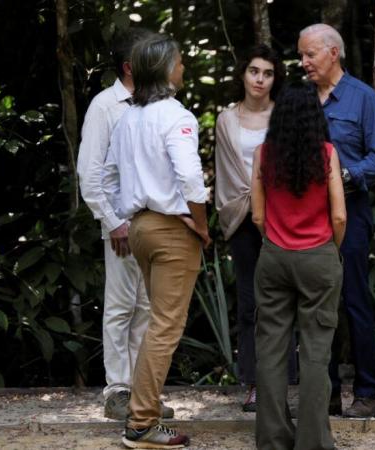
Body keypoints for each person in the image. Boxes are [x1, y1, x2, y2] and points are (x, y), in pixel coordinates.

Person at [103, 34, 210, 448]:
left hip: (141, 228)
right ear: (166, 69)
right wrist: (200, 225)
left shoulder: (129, 118)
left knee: (155, 326)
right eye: (180, 61)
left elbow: (109, 176)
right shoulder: (175, 115)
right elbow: (189, 178)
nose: (183, 67)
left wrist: (123, 218)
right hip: (170, 228)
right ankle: (142, 423)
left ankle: (142, 413)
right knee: (165, 328)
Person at [76, 27, 174, 421]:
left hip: (152, 223)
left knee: (148, 308)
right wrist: (113, 221)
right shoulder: (105, 105)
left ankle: (141, 391)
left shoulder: (156, 103)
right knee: (120, 308)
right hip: (120, 223)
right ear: (131, 66)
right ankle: (117, 391)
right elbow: (90, 171)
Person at [297, 23, 375, 418]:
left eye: (310, 55)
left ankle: (366, 394)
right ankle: (327, 392)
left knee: (354, 302)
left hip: (351, 212)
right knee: (317, 306)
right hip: (307, 217)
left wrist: (344, 177)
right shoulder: (301, 99)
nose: (303, 62)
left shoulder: (363, 97)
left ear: (333, 53)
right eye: (302, 55)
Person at [252, 81, 346, 450]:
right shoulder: (326, 153)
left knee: (271, 353)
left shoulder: (264, 153)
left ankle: (273, 440)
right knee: (315, 354)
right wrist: (330, 250)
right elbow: (338, 215)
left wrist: (275, 239)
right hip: (319, 256)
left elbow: (257, 215)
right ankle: (313, 442)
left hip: (273, 255)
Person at [214, 44, 297, 412]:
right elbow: (225, 175)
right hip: (242, 217)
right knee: (249, 303)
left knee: (282, 299)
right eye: (254, 71)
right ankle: (252, 383)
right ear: (243, 75)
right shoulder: (225, 120)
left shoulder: (284, 117)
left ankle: (283, 383)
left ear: (275, 79)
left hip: (280, 215)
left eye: (267, 73)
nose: (260, 79)